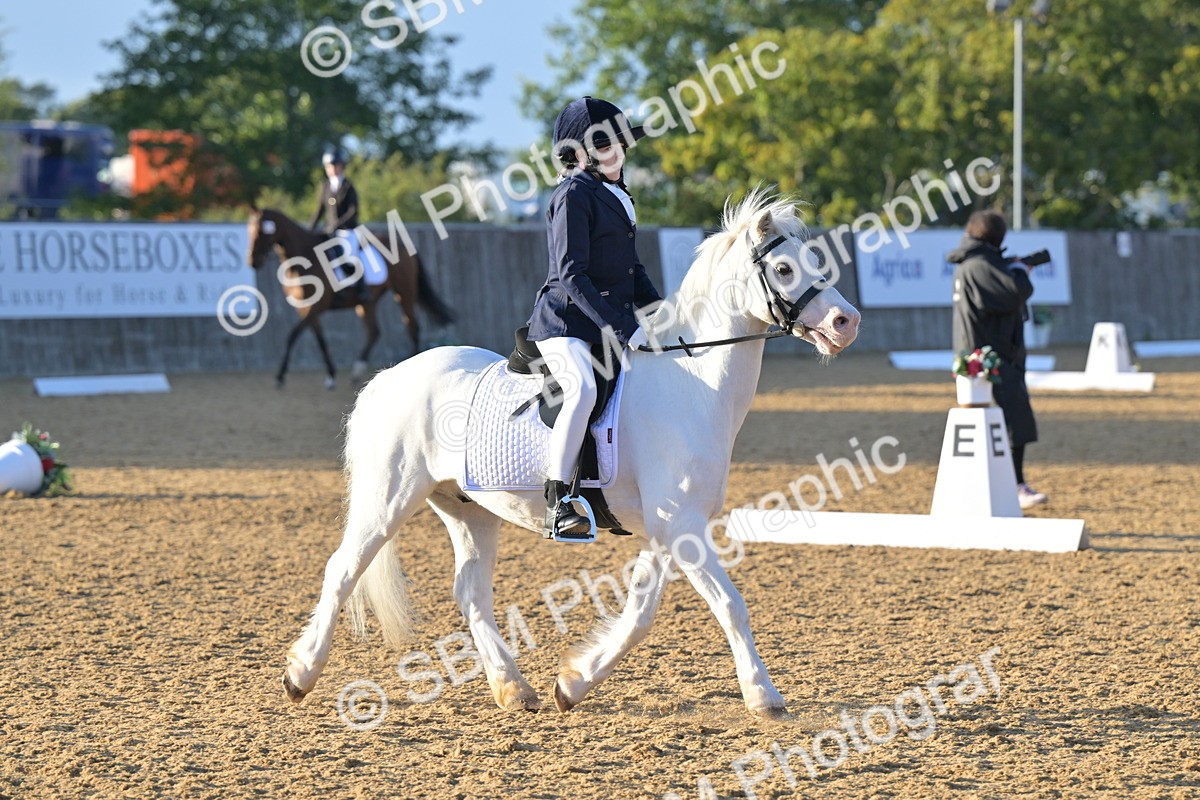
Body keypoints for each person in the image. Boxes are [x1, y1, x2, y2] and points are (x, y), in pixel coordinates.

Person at [526, 97, 663, 540]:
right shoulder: (572, 194)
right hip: (566, 323)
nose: (616, 150)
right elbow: (571, 273)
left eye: (618, 141)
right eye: (602, 144)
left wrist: (661, 314)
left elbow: (633, 270)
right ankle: (559, 501)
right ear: (578, 153)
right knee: (582, 388)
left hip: (605, 321)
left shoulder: (616, 195)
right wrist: (623, 327)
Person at [948, 210, 1048, 509]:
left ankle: (1012, 483)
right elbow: (1015, 292)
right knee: (1013, 421)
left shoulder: (975, 263)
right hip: (991, 357)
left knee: (1007, 421)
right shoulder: (980, 265)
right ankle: (1015, 485)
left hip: (986, 354)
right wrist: (1020, 271)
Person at [310, 147, 371, 302]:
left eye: (335, 166)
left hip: (347, 230)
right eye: (329, 166)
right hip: (330, 231)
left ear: (342, 166)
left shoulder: (348, 186)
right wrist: (310, 229)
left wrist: (337, 225)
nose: (332, 169)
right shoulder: (325, 187)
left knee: (351, 254)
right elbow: (319, 211)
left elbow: (353, 211)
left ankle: (361, 287)